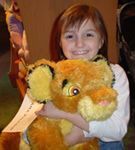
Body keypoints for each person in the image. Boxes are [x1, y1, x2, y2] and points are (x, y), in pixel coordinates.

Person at [36, 4, 130, 150]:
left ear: (101, 40)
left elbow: (117, 130)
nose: (79, 43)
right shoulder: (54, 75)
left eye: (88, 34)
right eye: (70, 36)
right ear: (60, 42)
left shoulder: (115, 75)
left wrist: (67, 117)